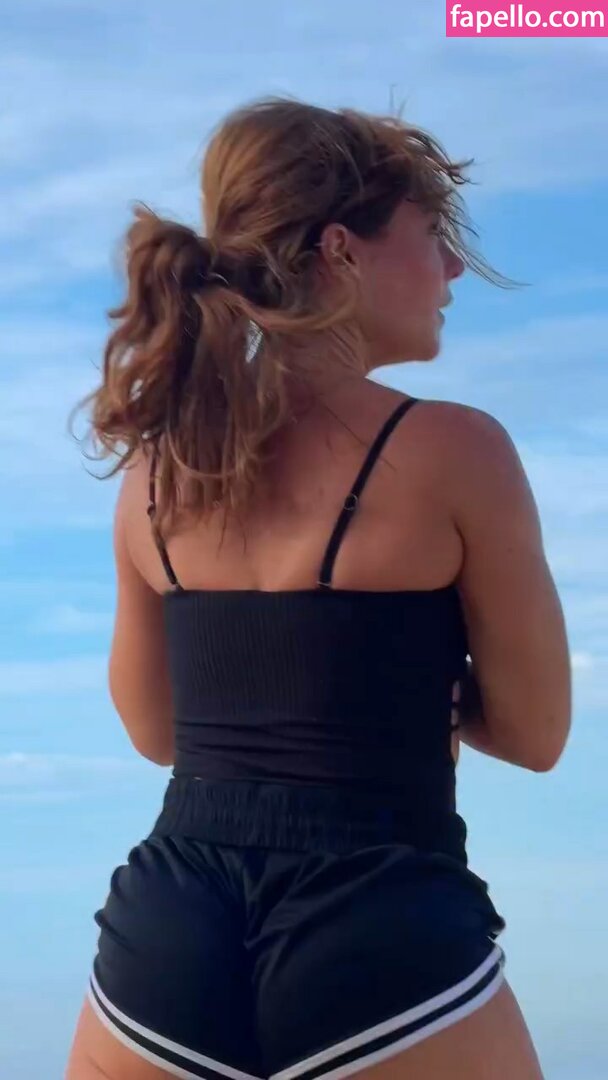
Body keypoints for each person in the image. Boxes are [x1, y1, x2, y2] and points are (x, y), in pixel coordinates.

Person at [65, 97, 571, 1080]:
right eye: (432, 237)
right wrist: (411, 684)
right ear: (342, 251)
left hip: (169, 939)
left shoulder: (160, 471)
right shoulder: (455, 449)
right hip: (379, 922)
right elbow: (536, 733)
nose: (452, 271)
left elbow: (158, 733)